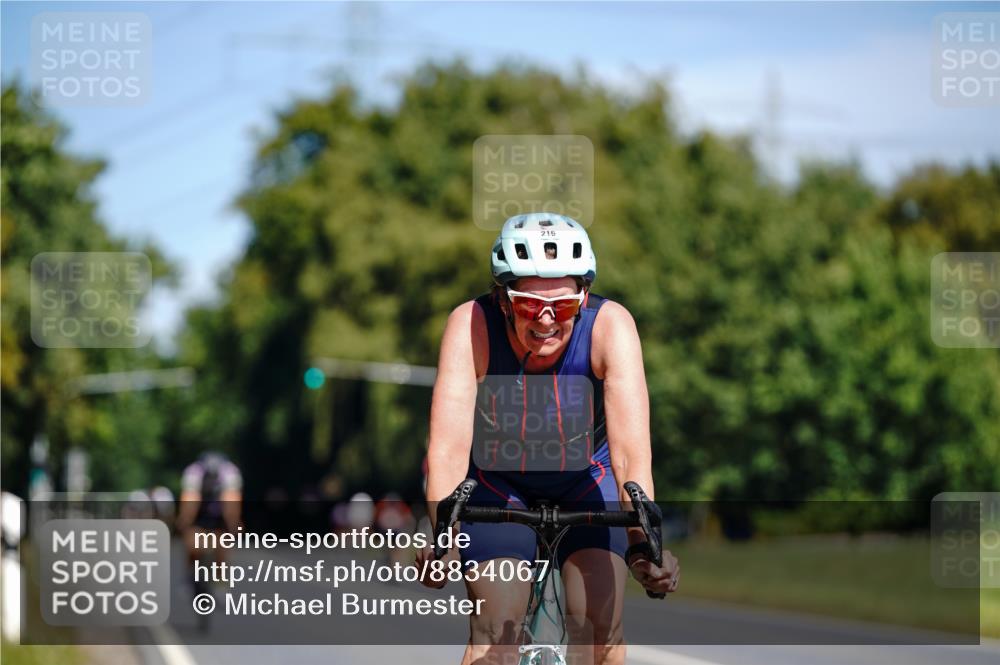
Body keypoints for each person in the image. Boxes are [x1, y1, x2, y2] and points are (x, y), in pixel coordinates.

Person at [417, 213, 679, 665]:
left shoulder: (611, 326)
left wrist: (642, 541)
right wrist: (444, 534)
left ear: (584, 297)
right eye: (526, 305)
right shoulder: (470, 325)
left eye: (562, 307)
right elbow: (447, 449)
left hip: (585, 480)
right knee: (494, 634)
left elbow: (631, 457)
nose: (545, 320)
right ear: (502, 299)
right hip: (499, 486)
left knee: (600, 630)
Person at [176, 452, 243, 588]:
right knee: (193, 546)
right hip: (199, 514)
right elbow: (190, 500)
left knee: (222, 546)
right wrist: (185, 520)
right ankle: (191, 574)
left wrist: (233, 522)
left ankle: (220, 578)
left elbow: (232, 501)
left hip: (220, 514)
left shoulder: (230, 472)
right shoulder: (194, 472)